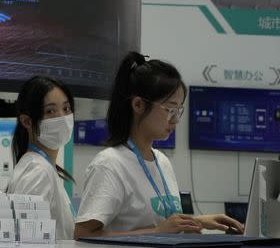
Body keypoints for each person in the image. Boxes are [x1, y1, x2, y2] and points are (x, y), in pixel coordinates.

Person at [74, 52, 244, 237]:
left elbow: (160, 224)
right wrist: (156, 232)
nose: (175, 120)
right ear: (138, 105)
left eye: (178, 110)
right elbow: (83, 234)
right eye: (170, 110)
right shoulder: (110, 164)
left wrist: (198, 222)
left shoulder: (161, 161)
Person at [8, 76, 76, 240]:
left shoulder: (44, 168)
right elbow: (27, 240)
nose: (62, 118)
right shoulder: (38, 172)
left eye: (66, 109)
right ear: (27, 121)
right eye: (50, 111)